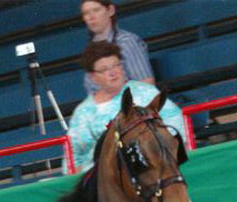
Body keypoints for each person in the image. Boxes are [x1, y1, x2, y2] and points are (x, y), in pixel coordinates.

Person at [65, 42, 186, 174]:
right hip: (102, 181)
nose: (113, 72)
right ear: (93, 77)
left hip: (153, 169)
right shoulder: (83, 113)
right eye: (104, 69)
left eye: (116, 65)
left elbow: (176, 122)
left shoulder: (145, 93)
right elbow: (73, 159)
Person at [80, 0, 154, 94]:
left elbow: (146, 85)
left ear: (110, 10)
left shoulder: (127, 41)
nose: (91, 17)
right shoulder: (90, 50)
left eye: (96, 10)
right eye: (86, 13)